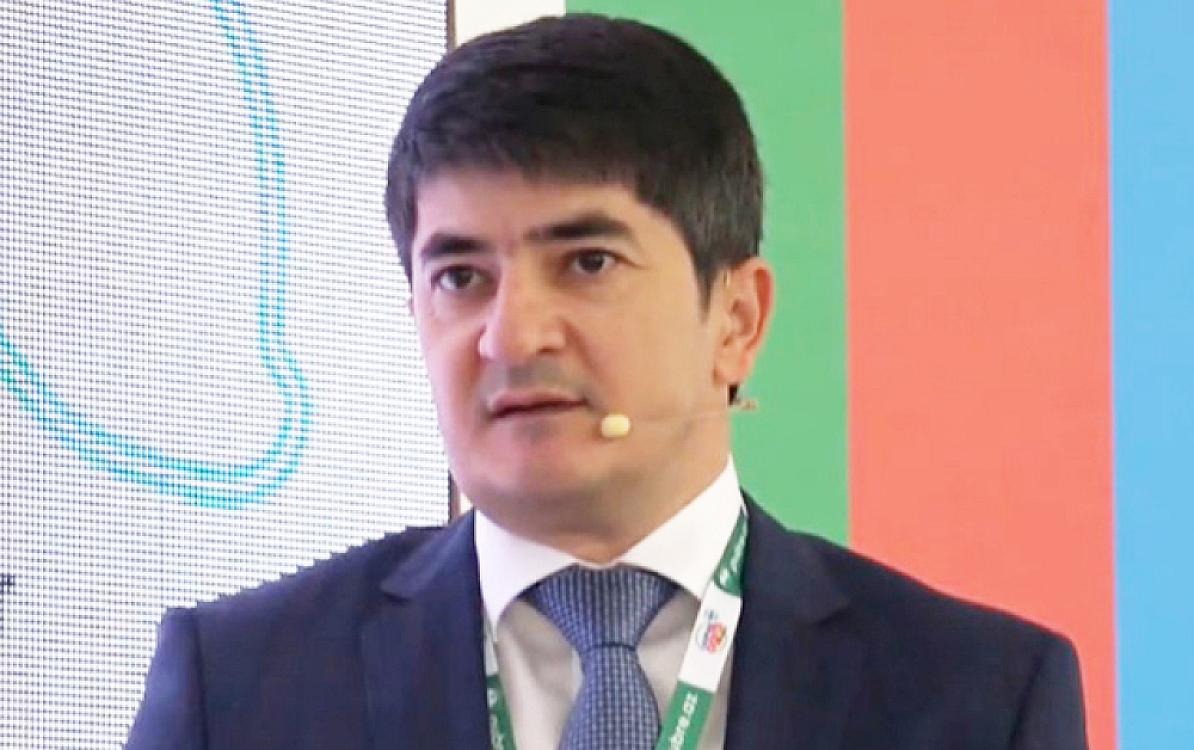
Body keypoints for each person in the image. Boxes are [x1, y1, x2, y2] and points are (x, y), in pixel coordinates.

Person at [126, 14, 1088, 749]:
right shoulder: (242, 688)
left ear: (737, 321)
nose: (512, 335)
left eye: (587, 263)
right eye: (460, 277)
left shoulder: (974, 697)